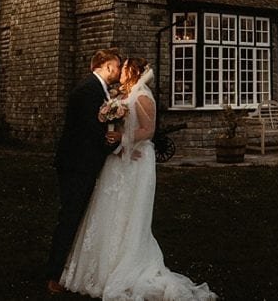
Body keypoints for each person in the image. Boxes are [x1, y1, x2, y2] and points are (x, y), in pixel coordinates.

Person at [60, 57, 216, 300]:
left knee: (128, 210)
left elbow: (149, 130)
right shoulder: (125, 95)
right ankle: (100, 263)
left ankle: (125, 258)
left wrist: (122, 139)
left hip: (136, 160)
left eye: (123, 69)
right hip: (119, 159)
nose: (120, 72)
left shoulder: (142, 96)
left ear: (131, 72)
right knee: (108, 208)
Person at [46, 48, 123, 294]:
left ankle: (66, 268)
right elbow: (89, 130)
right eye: (117, 67)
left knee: (76, 216)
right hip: (77, 164)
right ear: (107, 66)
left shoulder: (97, 89)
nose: (120, 72)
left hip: (82, 162)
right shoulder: (88, 90)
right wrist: (111, 143)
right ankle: (54, 274)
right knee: (70, 216)